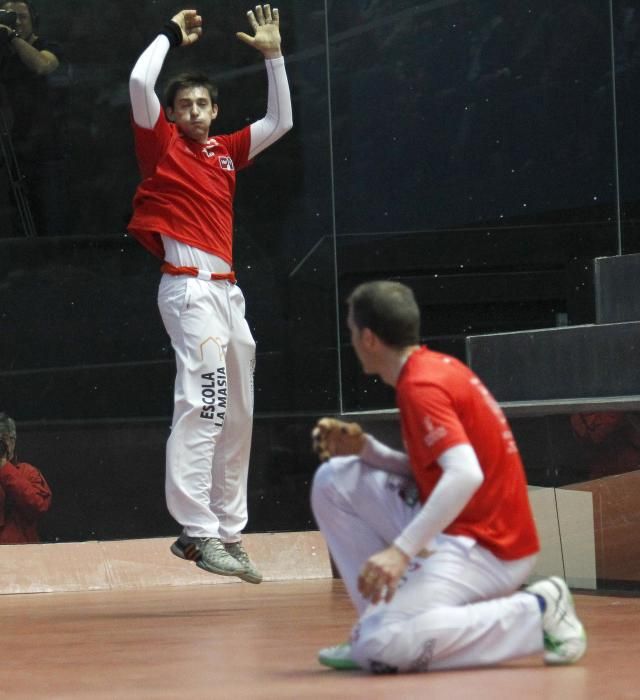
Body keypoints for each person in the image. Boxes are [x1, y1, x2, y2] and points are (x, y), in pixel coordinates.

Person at [310, 280, 586, 673]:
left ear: (368, 338)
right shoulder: (430, 369)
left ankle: (537, 611)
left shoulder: (422, 386)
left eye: (351, 331)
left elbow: (464, 474)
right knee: (334, 478)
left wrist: (400, 551)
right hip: (461, 529)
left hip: (489, 547)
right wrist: (366, 451)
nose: (350, 339)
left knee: (379, 647)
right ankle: (375, 621)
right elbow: (431, 473)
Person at [128, 6, 292, 583]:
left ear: (215, 110)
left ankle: (228, 532)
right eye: (184, 105)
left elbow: (280, 122)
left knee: (239, 410)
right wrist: (171, 35)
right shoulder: (162, 146)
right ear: (170, 115)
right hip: (188, 293)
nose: (193, 111)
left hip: (228, 295)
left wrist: (273, 56)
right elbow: (138, 82)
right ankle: (195, 533)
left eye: (203, 104)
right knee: (207, 401)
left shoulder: (225, 153)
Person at [0, 0, 65, 237]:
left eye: (21, 16)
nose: (16, 21)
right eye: (9, 16)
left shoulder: (48, 45)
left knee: (49, 215)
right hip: (12, 147)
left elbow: (42, 65)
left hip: (44, 148)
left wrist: (12, 37)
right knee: (15, 219)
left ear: (33, 20)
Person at [0, 412, 52, 543]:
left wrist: (4, 468)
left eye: (2, 439)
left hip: (21, 556)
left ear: (13, 441)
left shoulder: (27, 472)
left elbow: (39, 507)